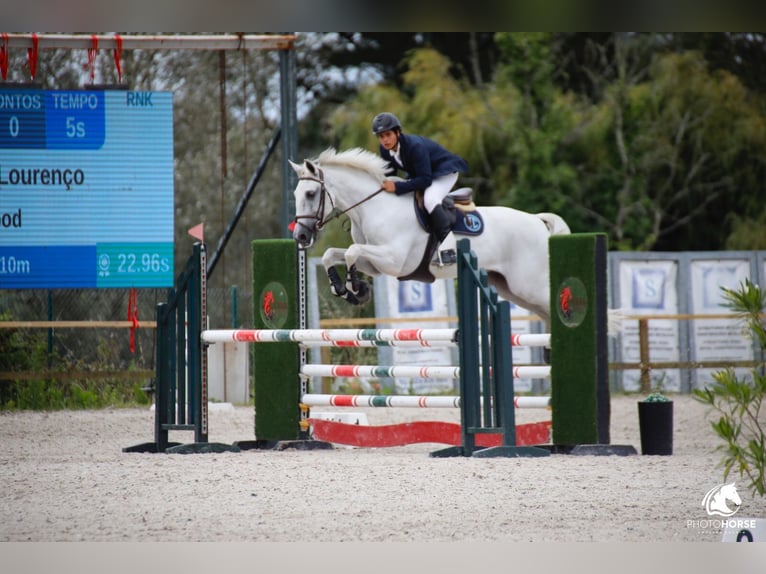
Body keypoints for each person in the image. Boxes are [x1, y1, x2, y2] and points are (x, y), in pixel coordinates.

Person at [372, 112, 469, 266]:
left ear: (398, 132)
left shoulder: (414, 146)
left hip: (444, 172)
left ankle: (449, 248)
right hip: (423, 173)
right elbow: (390, 174)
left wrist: (397, 186)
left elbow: (425, 180)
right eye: (381, 136)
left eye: (388, 135)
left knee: (430, 200)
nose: (385, 140)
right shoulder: (385, 149)